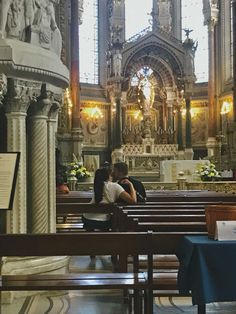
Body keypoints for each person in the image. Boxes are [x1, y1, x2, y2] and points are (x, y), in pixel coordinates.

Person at [82, 167, 137, 231]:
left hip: (87, 218)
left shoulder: (97, 185)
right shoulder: (115, 186)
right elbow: (133, 201)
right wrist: (131, 185)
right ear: (109, 176)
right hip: (104, 221)